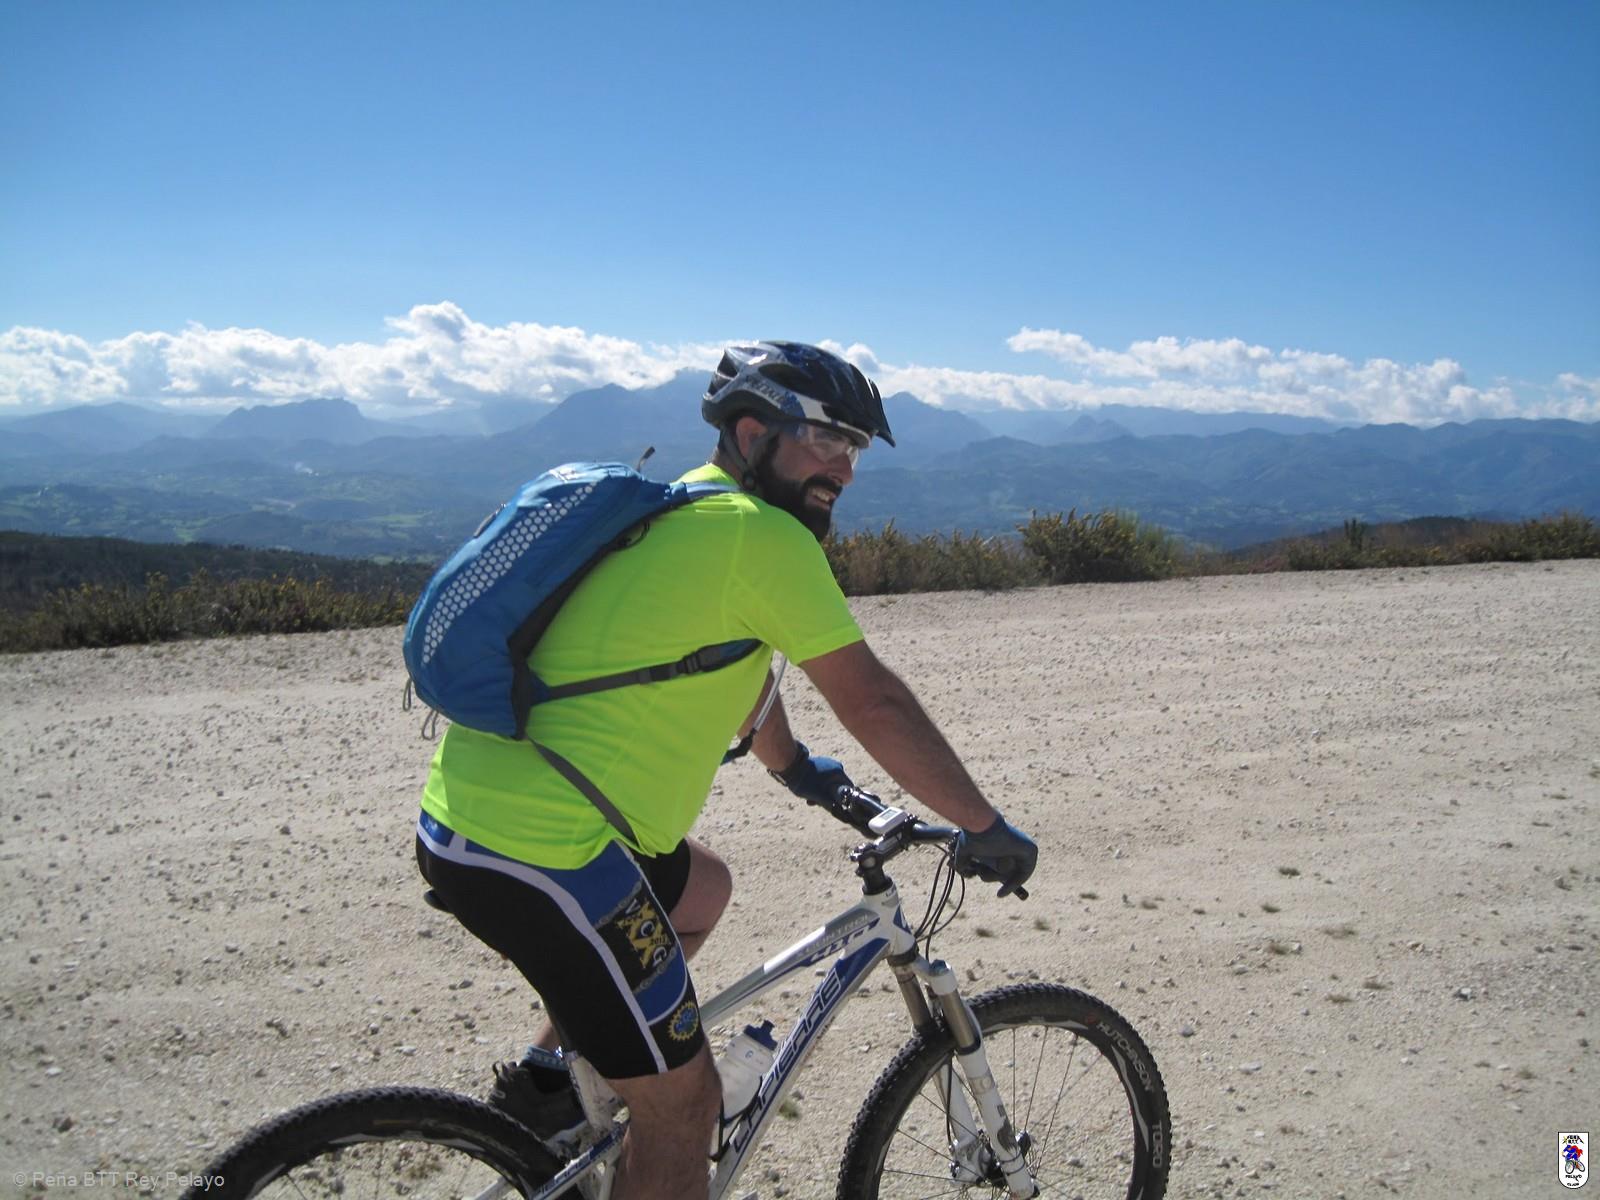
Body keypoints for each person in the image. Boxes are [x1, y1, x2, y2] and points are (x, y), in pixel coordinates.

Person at [414, 341, 1037, 1200]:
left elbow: (722, 659)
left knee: (701, 891)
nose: (844, 469)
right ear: (752, 434)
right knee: (686, 1102)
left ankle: (549, 1083)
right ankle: (639, 1111)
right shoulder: (764, 537)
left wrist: (799, 769)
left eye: (855, 450)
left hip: (478, 818)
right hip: (540, 851)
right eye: (827, 440)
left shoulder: (686, 510)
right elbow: (874, 703)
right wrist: (981, 823)